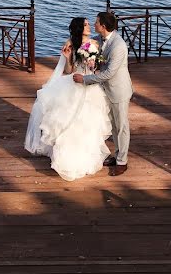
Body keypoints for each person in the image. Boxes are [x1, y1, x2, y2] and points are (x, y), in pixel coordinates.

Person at [24, 17, 112, 181]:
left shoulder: (94, 43)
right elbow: (68, 70)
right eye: (85, 24)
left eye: (89, 23)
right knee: (69, 120)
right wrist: (66, 57)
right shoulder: (71, 43)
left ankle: (86, 154)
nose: (89, 26)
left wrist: (93, 65)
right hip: (74, 84)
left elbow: (96, 67)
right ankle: (66, 158)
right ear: (80, 28)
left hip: (89, 84)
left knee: (89, 122)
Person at [73, 11, 133, 176]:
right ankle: (117, 155)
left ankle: (122, 162)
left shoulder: (118, 46)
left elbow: (109, 74)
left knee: (121, 127)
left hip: (118, 90)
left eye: (97, 22)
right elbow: (88, 44)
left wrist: (85, 79)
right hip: (107, 90)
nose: (94, 24)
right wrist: (70, 43)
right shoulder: (102, 39)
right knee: (113, 125)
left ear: (103, 26)